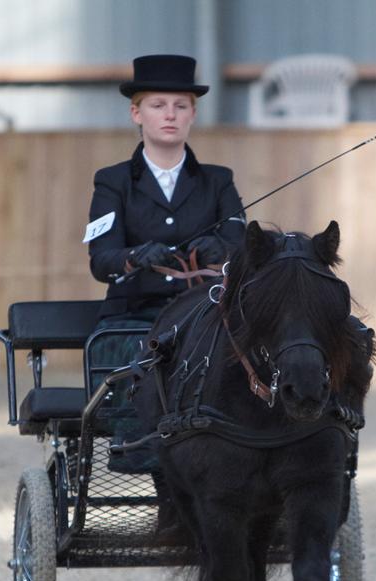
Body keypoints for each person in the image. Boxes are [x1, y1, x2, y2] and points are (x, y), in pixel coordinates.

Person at [84, 54, 245, 478]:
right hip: (136, 314)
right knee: (133, 356)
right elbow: (101, 259)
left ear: (193, 114)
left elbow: (241, 244)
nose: (170, 115)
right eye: (158, 105)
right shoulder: (113, 181)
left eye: (180, 106)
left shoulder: (218, 181)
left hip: (205, 313)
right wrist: (135, 257)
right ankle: (139, 449)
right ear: (137, 113)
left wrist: (220, 249)